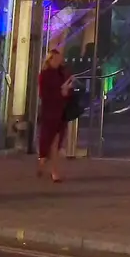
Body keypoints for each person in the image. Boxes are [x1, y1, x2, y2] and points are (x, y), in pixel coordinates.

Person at [36, 48, 74, 183]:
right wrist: (60, 93)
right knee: (48, 140)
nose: (59, 62)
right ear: (50, 60)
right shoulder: (45, 75)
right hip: (49, 112)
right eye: (56, 59)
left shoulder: (61, 73)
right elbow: (44, 94)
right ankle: (44, 162)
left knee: (56, 143)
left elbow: (68, 91)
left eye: (60, 59)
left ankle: (53, 170)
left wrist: (67, 90)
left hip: (60, 111)